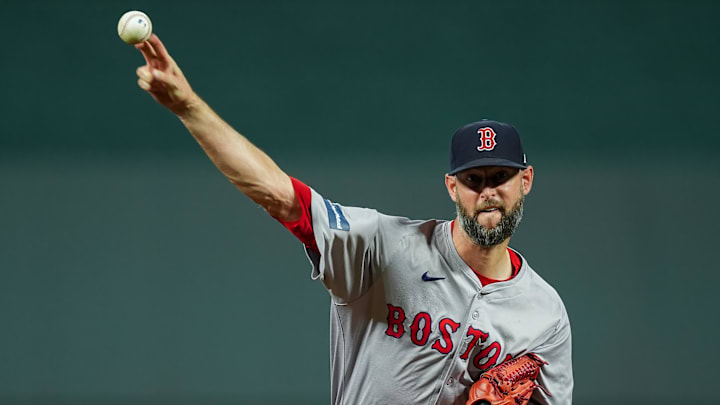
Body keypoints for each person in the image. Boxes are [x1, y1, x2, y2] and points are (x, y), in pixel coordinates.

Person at [134, 34, 573, 405]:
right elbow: (280, 195)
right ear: (452, 187)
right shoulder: (384, 246)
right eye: (473, 178)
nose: (487, 191)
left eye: (501, 176)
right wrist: (189, 107)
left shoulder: (545, 315)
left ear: (526, 180)